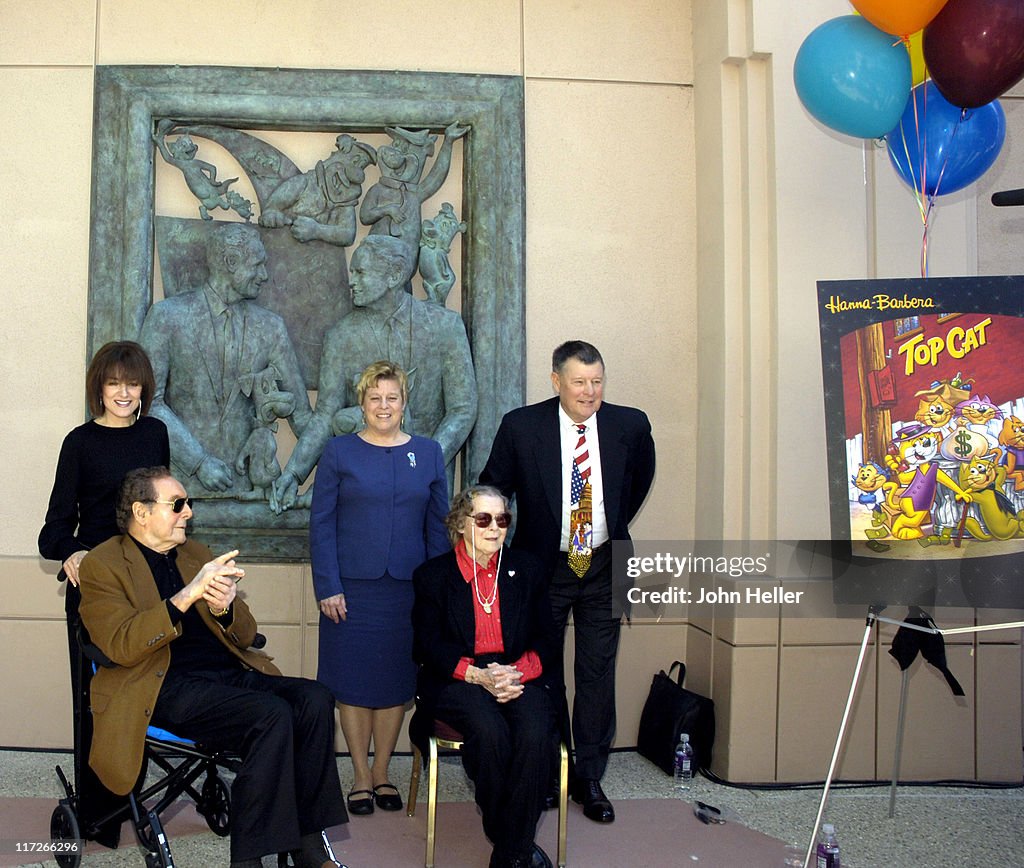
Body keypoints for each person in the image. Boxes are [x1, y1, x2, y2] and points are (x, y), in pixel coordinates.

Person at [78, 466, 348, 868]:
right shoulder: (103, 565)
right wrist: (186, 596)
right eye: (178, 504)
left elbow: (246, 634)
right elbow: (121, 644)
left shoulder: (195, 554)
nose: (188, 512)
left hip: (226, 676)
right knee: (271, 716)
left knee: (315, 698)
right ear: (141, 512)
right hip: (162, 686)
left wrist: (224, 610)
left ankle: (307, 846)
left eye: (188, 504)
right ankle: (249, 859)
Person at [480, 340, 656, 824]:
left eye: (597, 381)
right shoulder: (522, 426)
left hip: (604, 563)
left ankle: (589, 777)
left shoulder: (630, 425)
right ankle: (549, 771)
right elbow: (495, 486)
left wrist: (604, 529)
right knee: (543, 673)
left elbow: (637, 483)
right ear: (556, 381)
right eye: (579, 382)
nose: (590, 391)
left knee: (598, 674)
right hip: (543, 568)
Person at [38, 340, 170, 847]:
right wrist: (72, 551)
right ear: (99, 387)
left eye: (131, 383)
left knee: (148, 695)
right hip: (98, 592)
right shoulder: (79, 443)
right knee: (99, 702)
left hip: (150, 591)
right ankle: (101, 817)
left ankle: (137, 796)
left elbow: (161, 512)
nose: (122, 392)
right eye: (113, 383)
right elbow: (51, 532)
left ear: (143, 389)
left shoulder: (155, 435)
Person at [309, 360, 449, 815]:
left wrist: (435, 594)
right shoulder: (338, 453)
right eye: (375, 397)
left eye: (392, 397)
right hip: (348, 591)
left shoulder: (428, 453)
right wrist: (327, 584)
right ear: (362, 403)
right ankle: (360, 777)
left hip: (407, 591)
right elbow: (321, 524)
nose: (383, 406)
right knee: (351, 684)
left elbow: (438, 527)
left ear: (404, 403)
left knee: (394, 683)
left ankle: (384, 772)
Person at [271, 234, 477, 512]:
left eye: (360, 272)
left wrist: (425, 462)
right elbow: (324, 416)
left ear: (393, 275)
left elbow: (463, 409)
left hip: (426, 491)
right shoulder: (341, 336)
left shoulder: (445, 327)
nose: (351, 281)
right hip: (362, 490)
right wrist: (294, 473)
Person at [412, 486, 558, 868]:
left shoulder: (527, 570)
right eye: (484, 519)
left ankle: (509, 851)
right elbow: (427, 645)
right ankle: (517, 846)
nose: (495, 528)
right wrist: (477, 675)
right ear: (462, 523)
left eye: (502, 520)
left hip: (516, 673)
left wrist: (515, 673)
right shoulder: (433, 576)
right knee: (490, 733)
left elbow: (548, 636)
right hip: (458, 679)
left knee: (535, 731)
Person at [140, 222, 311, 496]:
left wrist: (335, 463)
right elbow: (149, 402)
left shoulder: (270, 327)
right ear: (231, 262)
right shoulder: (167, 317)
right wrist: (198, 462)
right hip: (177, 489)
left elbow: (302, 415)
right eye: (257, 265)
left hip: (247, 491)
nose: (264, 275)